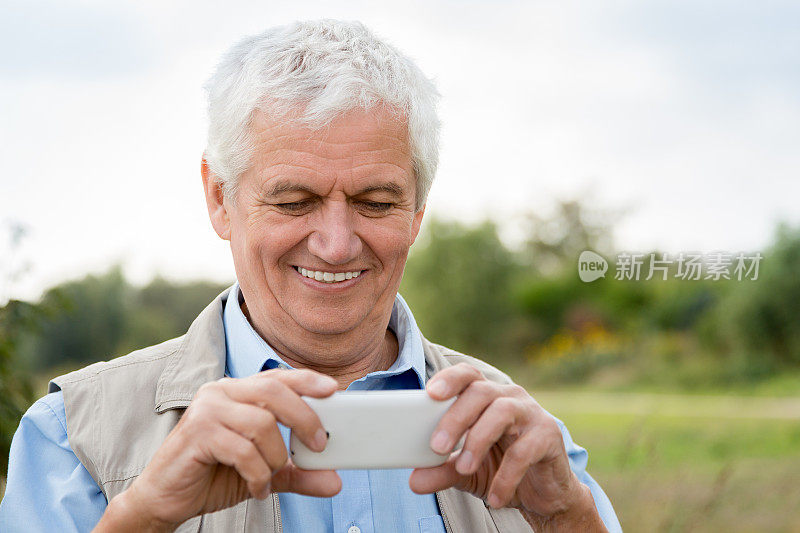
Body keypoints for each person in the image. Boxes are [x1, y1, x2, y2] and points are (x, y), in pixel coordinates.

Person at [0, 20, 622, 533]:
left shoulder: (521, 434)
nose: (335, 243)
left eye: (376, 202)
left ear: (418, 212)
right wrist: (141, 517)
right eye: (293, 201)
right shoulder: (74, 438)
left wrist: (568, 517)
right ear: (219, 198)